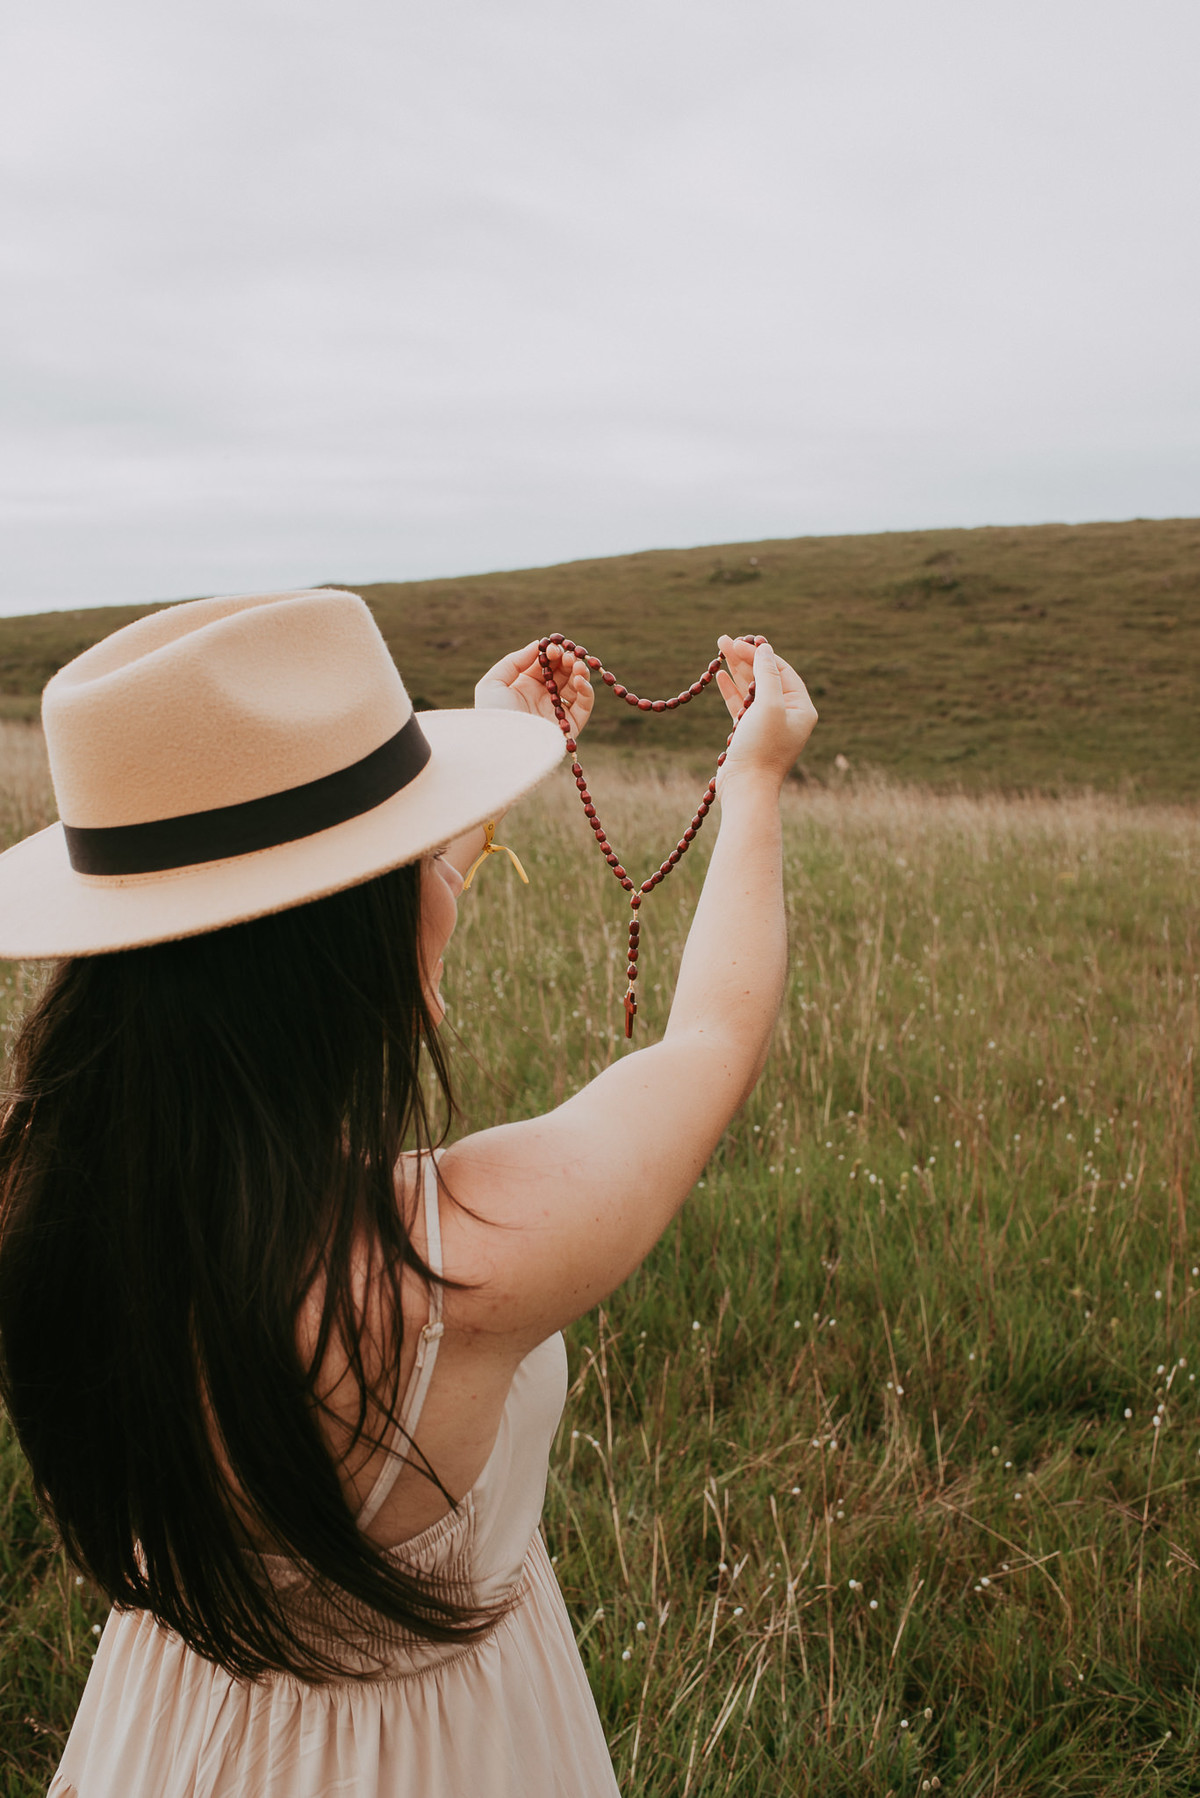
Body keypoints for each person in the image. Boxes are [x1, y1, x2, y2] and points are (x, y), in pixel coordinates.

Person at [0, 588, 816, 1798]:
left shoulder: (39, 1192)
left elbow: (284, 959)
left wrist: (446, 832)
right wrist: (753, 784)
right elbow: (709, 1039)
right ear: (356, 960)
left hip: (170, 1742)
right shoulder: (454, 1263)